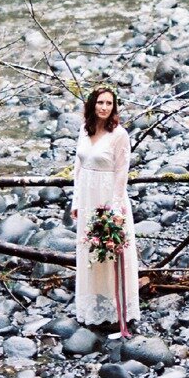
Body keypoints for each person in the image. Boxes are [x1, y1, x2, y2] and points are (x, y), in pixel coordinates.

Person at [72, 85, 139, 336]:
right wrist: (76, 202)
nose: (104, 107)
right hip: (88, 197)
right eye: (100, 103)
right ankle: (91, 308)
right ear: (92, 105)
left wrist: (115, 208)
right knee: (89, 250)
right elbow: (77, 168)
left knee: (110, 251)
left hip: (107, 197)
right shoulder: (84, 130)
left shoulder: (119, 134)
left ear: (114, 107)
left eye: (109, 104)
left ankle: (116, 313)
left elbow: (122, 172)